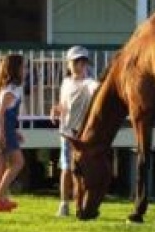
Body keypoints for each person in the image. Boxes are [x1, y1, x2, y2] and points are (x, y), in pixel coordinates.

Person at [50, 46, 100, 217]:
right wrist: (55, 110)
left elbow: (96, 88)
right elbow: (63, 105)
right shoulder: (65, 83)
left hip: (83, 135)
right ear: (68, 64)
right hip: (66, 132)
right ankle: (64, 204)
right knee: (66, 168)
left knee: (84, 171)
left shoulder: (89, 83)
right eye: (76, 62)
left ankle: (83, 202)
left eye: (83, 62)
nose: (80, 66)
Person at [0, 53, 26, 212]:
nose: (25, 70)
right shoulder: (13, 89)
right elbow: (2, 112)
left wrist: (14, 131)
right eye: (23, 67)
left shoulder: (4, 87)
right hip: (0, 126)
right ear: (16, 69)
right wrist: (3, 133)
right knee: (18, 163)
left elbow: (5, 112)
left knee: (0, 166)